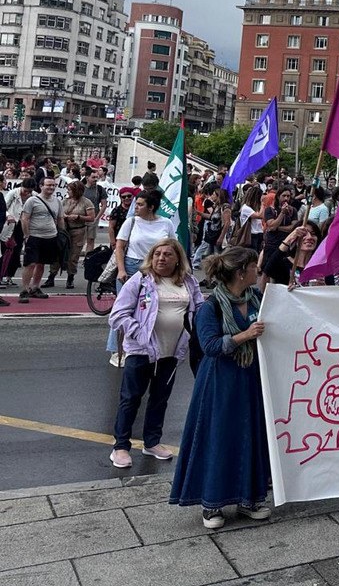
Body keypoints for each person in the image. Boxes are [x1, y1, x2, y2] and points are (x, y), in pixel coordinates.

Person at [169, 247, 272, 529]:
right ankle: (211, 503)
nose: (257, 271)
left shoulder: (256, 299)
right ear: (241, 272)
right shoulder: (211, 307)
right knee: (218, 436)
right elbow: (211, 346)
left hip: (250, 378)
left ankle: (249, 498)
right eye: (254, 267)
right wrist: (244, 336)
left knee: (250, 434)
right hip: (219, 382)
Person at [107, 238, 203, 468]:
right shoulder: (140, 280)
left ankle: (151, 442)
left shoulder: (189, 283)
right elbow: (118, 315)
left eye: (167, 254)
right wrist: (140, 334)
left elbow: (199, 310)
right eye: (158, 254)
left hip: (171, 354)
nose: (161, 258)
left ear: (178, 258)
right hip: (141, 352)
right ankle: (120, 446)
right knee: (130, 399)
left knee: (160, 399)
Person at [109, 189, 178, 363]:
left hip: (157, 270)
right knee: (124, 309)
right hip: (133, 267)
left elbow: (173, 246)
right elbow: (119, 247)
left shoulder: (166, 223)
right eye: (136, 204)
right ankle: (117, 350)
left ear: (151, 207)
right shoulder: (131, 222)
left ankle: (149, 344)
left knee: (151, 308)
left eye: (140, 204)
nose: (136, 207)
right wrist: (121, 269)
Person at [18, 176, 65, 303]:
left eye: (53, 185)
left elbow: (60, 219)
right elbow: (25, 218)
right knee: (30, 264)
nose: (51, 187)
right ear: (41, 186)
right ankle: (24, 290)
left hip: (50, 237)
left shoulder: (57, 202)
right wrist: (26, 235)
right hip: (34, 237)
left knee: (41, 263)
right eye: (48, 185)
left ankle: (35, 287)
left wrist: (62, 234)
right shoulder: (32, 201)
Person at [54, 178, 95, 290]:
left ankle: (70, 277)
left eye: (70, 190)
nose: (68, 192)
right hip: (64, 230)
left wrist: (78, 217)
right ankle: (51, 276)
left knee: (74, 255)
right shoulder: (65, 201)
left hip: (78, 230)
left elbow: (91, 217)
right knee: (58, 252)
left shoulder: (86, 202)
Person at [261, 221, 322, 286]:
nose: (310, 237)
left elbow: (331, 291)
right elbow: (266, 274)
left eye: (313, 234)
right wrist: (289, 239)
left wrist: (324, 287)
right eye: (304, 234)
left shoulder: (321, 266)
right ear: (294, 239)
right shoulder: (283, 263)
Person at [237, 185, 265, 252]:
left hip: (259, 232)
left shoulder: (256, 207)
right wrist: (263, 204)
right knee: (252, 253)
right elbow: (259, 216)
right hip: (251, 234)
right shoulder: (246, 208)